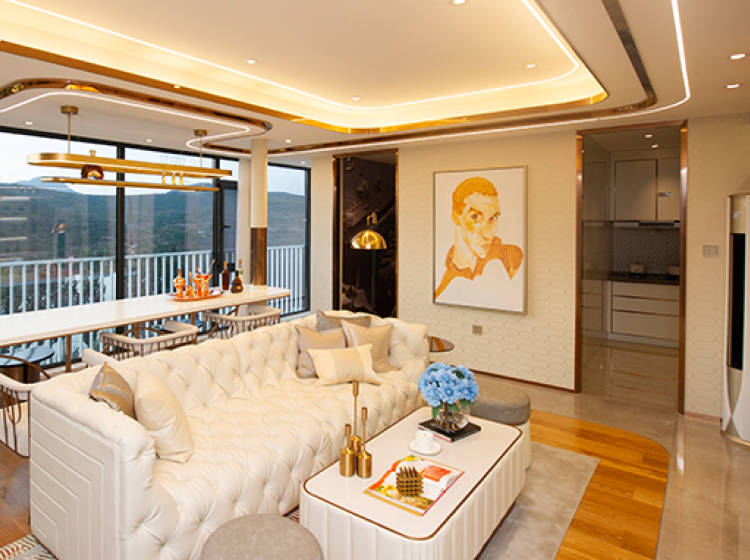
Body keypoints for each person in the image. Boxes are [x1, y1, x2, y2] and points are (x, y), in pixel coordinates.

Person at [434, 176, 523, 299]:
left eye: (493, 218)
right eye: (475, 217)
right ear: (456, 217)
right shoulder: (444, 277)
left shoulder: (511, 258)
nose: (488, 234)